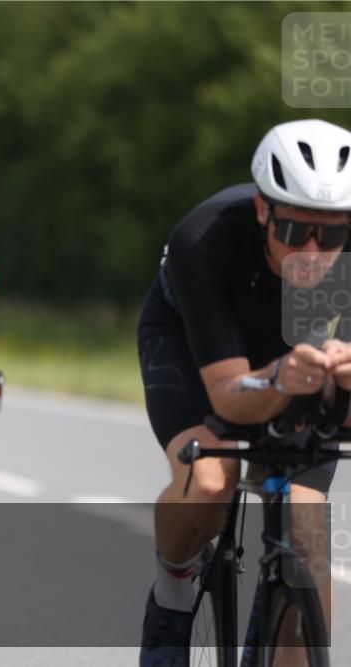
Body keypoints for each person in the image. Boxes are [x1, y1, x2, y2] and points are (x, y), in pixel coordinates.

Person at [138, 118, 351, 665]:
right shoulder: (203, 237)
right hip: (193, 343)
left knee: (307, 531)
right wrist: (278, 379)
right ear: (264, 209)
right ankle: (173, 590)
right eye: (294, 231)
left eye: (330, 234)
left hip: (294, 355)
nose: (312, 250)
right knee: (210, 482)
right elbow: (230, 396)